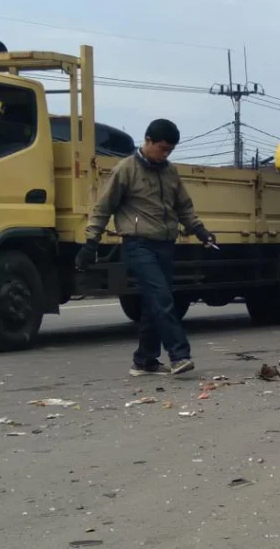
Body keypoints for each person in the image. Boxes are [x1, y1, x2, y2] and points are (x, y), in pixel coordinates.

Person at [77, 119, 214, 377]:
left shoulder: (170, 172)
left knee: (156, 302)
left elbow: (184, 207)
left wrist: (201, 231)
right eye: (162, 148)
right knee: (161, 297)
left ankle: (145, 360)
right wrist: (91, 242)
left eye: (170, 150)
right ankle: (179, 355)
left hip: (165, 244)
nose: (165, 154)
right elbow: (103, 208)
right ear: (148, 141)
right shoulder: (126, 170)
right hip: (138, 244)